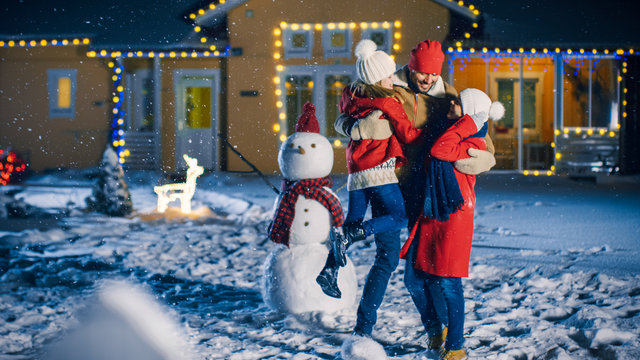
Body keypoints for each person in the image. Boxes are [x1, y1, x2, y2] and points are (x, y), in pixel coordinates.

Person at [315, 39, 422, 337]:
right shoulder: (388, 102)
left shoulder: (352, 94)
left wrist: (352, 127)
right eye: (388, 75)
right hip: (381, 172)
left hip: (356, 173)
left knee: (352, 236)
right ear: (377, 78)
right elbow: (409, 133)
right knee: (398, 219)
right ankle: (356, 233)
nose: (393, 79)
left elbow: (342, 118)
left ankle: (328, 271)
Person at [399, 88, 504, 360]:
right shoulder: (450, 131)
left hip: (454, 216)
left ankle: (456, 346)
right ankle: (436, 329)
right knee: (414, 279)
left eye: (458, 103)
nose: (452, 103)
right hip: (433, 212)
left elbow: (440, 150)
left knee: (449, 283)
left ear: (469, 114)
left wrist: (470, 122)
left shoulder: (473, 143)